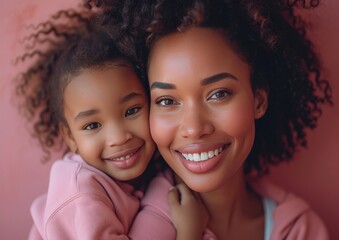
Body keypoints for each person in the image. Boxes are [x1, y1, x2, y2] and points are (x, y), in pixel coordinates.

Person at [88, 0, 333, 239]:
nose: (194, 129)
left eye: (219, 94)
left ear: (258, 100)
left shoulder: (300, 230)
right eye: (166, 101)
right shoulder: (105, 218)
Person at [15, 10, 207, 240]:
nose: (119, 137)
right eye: (92, 125)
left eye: (132, 111)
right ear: (70, 138)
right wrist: (189, 233)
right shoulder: (80, 194)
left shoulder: (154, 168)